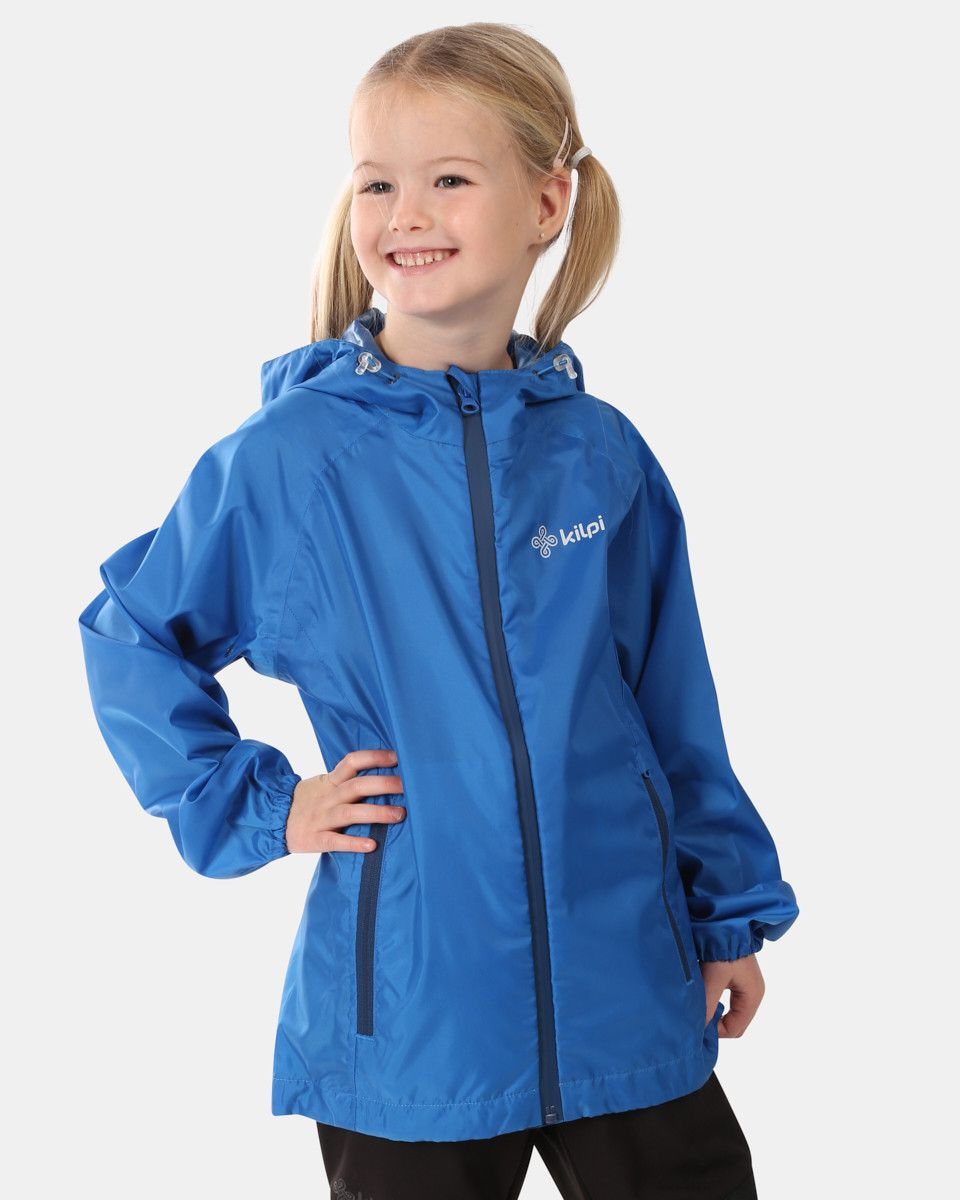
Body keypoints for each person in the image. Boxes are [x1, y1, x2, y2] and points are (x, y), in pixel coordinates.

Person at [77, 19, 799, 1200]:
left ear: (547, 202)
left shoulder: (599, 453)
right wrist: (266, 804)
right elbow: (133, 637)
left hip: (628, 980)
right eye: (377, 183)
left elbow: (671, 706)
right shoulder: (293, 458)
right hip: (414, 1010)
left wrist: (727, 913)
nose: (405, 214)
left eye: (449, 179)